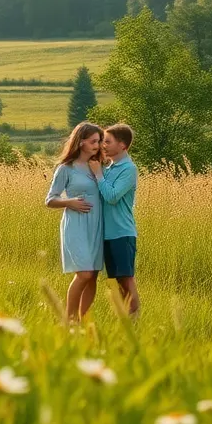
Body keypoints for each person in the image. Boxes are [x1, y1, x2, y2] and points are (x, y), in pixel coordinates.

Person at [44, 122, 105, 322]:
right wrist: (69, 202)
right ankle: (69, 320)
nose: (98, 145)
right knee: (85, 274)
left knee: (93, 274)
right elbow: (50, 200)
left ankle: (84, 320)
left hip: (97, 225)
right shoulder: (66, 168)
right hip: (76, 225)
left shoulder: (100, 166)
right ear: (81, 142)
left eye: (100, 141)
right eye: (93, 141)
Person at [99, 123, 139, 318]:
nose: (103, 145)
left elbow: (112, 196)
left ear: (122, 145)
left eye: (107, 141)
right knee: (113, 280)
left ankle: (134, 321)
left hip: (122, 232)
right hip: (106, 234)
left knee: (126, 278)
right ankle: (121, 319)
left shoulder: (129, 169)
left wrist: (98, 174)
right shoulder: (108, 168)